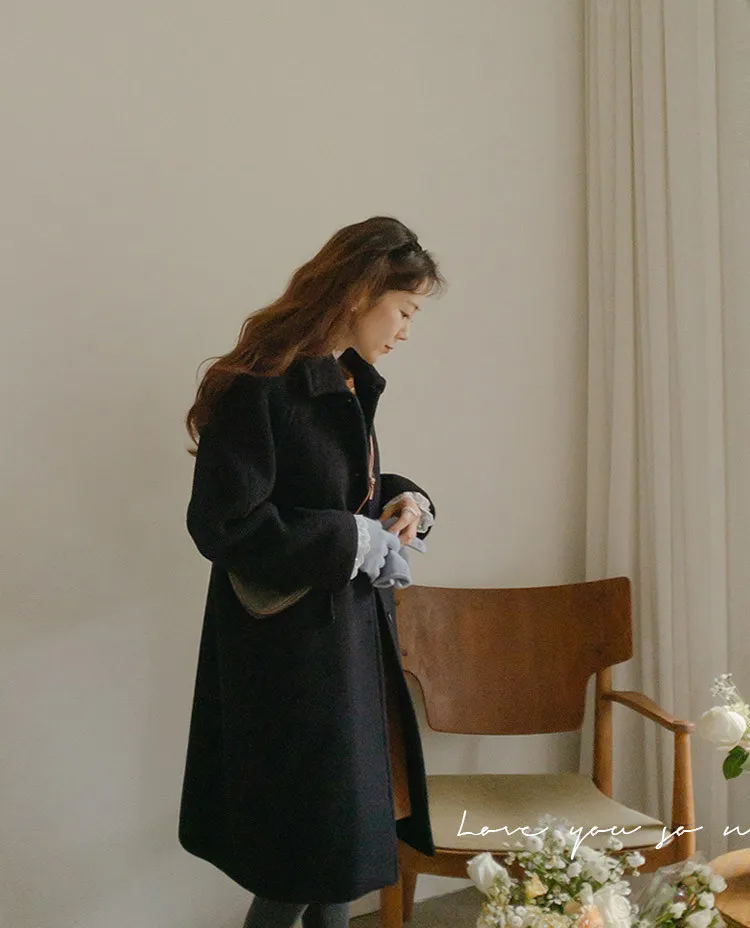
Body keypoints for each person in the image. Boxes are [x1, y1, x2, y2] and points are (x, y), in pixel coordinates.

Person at [179, 216, 446, 927]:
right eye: (405, 310)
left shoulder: (343, 378)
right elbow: (223, 523)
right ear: (360, 294)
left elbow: (333, 487)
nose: (407, 330)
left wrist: (403, 499)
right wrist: (349, 538)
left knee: (336, 860)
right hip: (290, 659)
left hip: (344, 646)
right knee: (300, 862)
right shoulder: (260, 384)